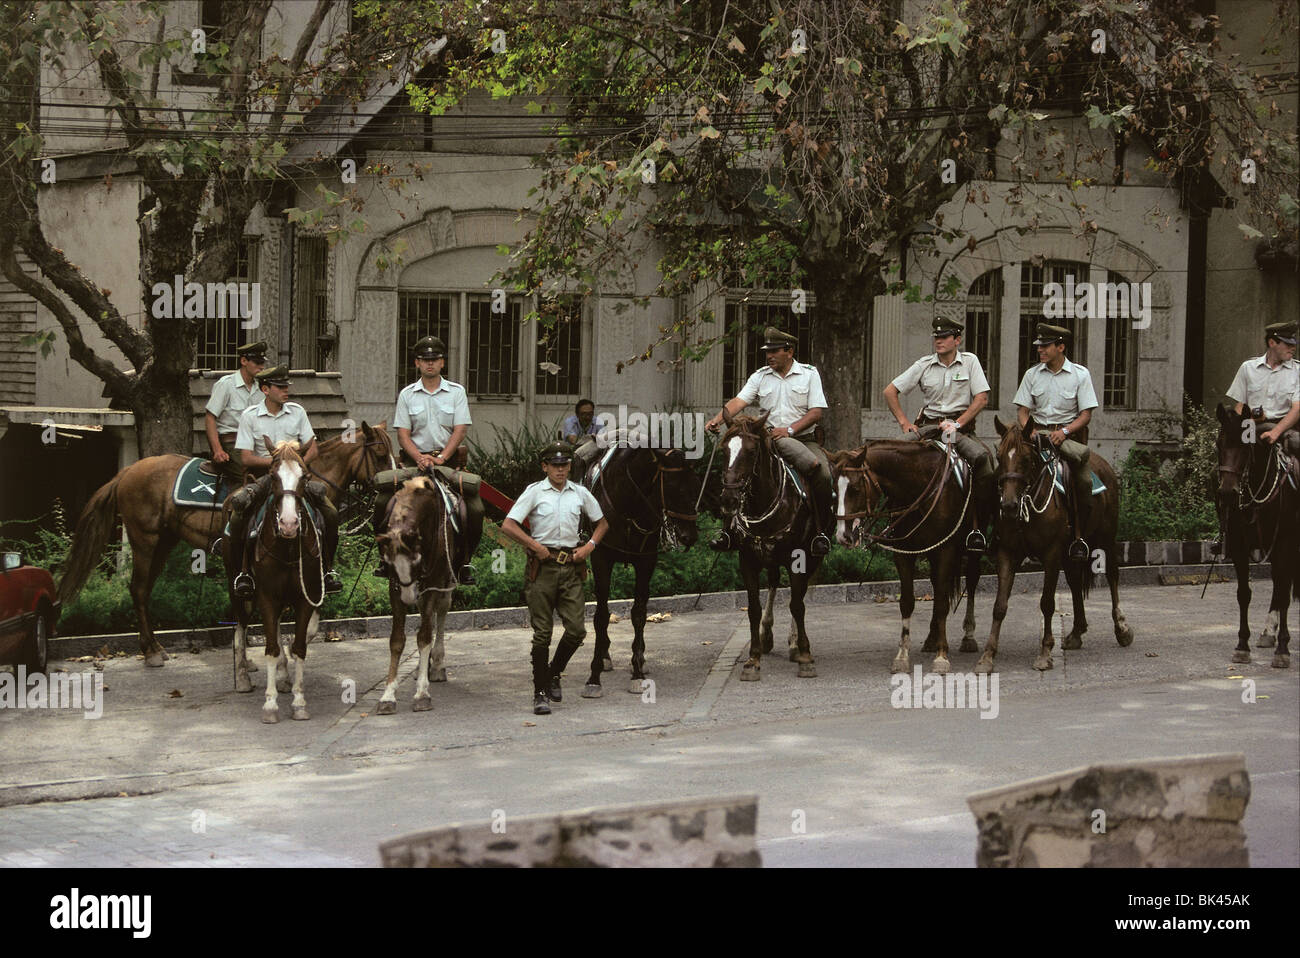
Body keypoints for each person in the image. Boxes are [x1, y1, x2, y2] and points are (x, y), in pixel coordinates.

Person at [501, 442, 609, 715]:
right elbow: (509, 524)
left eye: (565, 465)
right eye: (555, 465)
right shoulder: (535, 492)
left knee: (576, 631)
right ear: (545, 467)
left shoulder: (580, 493)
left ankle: (552, 674)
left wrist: (589, 547)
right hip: (543, 567)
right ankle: (539, 693)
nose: (560, 470)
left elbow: (602, 523)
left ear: (570, 467)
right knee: (543, 634)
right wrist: (534, 545)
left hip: (572, 567)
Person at [705, 326, 833, 556]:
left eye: (775, 351)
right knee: (735, 471)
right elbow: (739, 401)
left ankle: (820, 533)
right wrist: (717, 419)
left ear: (789, 351)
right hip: (767, 438)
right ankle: (728, 532)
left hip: (803, 438)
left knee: (822, 472)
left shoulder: (809, 374)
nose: (769, 356)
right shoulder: (760, 376)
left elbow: (816, 413)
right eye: (767, 352)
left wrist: (790, 430)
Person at [374, 335, 485, 585]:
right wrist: (419, 458)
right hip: (414, 465)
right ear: (417, 363)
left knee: (475, 509)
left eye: (435, 359)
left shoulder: (456, 392)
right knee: (383, 503)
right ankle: (384, 558)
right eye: (425, 360)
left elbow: (460, 429)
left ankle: (464, 561)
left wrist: (442, 457)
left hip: (447, 464)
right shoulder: (407, 394)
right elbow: (402, 434)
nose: (430, 364)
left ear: (442, 362)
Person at [226, 366, 342, 598]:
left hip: (295, 478)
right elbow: (247, 457)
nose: (285, 390)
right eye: (280, 387)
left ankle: (327, 569)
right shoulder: (250, 416)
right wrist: (276, 464)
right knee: (238, 514)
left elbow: (313, 448)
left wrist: (296, 465)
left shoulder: (297, 412)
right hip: (263, 478)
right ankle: (243, 572)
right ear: (265, 390)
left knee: (329, 513)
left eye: (286, 386)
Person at [883, 318, 997, 552]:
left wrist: (958, 423)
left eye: (944, 337)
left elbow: (981, 398)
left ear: (957, 340)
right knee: (889, 455)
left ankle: (979, 526)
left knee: (982, 460)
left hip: (959, 430)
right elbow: (890, 391)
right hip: (928, 427)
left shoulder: (969, 362)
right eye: (936, 337)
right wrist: (905, 423)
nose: (939, 341)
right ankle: (892, 521)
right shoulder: (923, 364)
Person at [1012, 323, 1099, 562]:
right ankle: (1007, 535)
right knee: (1009, 473)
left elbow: (1086, 414)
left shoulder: (1080, 375)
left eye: (1045, 346)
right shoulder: (1032, 374)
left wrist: (1065, 431)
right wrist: (1027, 429)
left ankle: (1078, 535)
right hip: (1035, 437)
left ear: (1061, 347)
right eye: (1039, 346)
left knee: (1081, 480)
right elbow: (1022, 410)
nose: (1040, 350)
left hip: (1064, 438)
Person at [1226, 321, 1300, 453]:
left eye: (1294, 343)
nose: (1293, 347)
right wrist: (1237, 428)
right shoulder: (1248, 368)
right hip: (1252, 424)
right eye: (1288, 344)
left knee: (1297, 443)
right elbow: (1240, 406)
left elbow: (1297, 409)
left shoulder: (1298, 371)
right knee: (1230, 457)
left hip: (1284, 428)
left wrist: (1275, 432)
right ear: (1272, 343)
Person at [203, 340, 266, 495]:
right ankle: (233, 513)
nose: (261, 367)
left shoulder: (262, 388)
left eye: (262, 363)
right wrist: (217, 450)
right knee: (247, 476)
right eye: (257, 363)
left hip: (254, 444)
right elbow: (210, 417)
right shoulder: (226, 385)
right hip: (231, 444)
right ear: (243, 361)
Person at [564, 398, 602, 481]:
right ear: (577, 415)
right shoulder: (570, 422)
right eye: (584, 414)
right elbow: (573, 440)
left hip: (592, 453)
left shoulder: (598, 421)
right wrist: (591, 439)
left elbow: (602, 439)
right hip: (574, 453)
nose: (587, 417)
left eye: (590, 414)